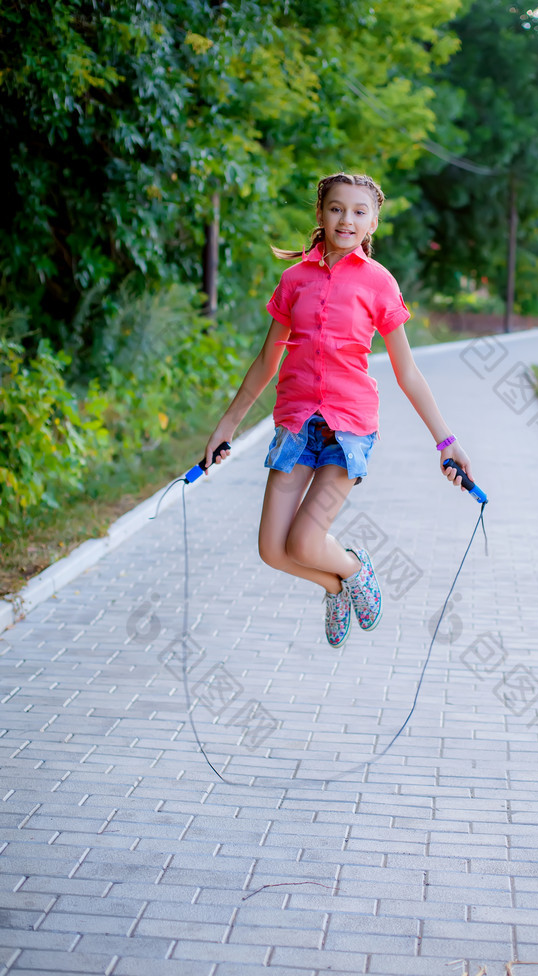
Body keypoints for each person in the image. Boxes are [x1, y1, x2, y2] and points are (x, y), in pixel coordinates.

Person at [203, 172, 474, 648]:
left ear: (372, 223)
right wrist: (225, 427)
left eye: (359, 211)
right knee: (272, 550)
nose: (346, 218)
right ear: (321, 214)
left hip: (348, 431)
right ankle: (336, 585)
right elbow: (268, 362)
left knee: (305, 544)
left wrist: (447, 442)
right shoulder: (294, 280)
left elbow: (407, 372)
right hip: (296, 426)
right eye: (336, 208)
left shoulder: (379, 284)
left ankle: (354, 566)